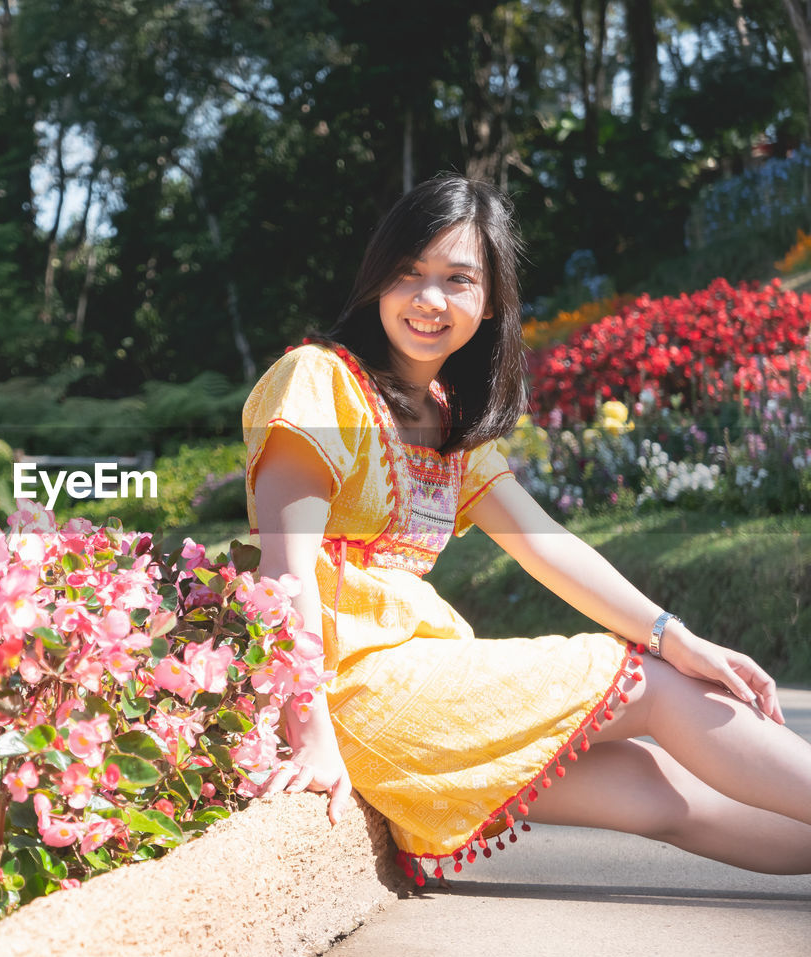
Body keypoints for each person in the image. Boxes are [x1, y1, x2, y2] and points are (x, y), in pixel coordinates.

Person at [244, 174, 811, 882]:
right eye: (408, 274)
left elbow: (548, 548)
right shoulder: (317, 379)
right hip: (352, 691)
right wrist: (311, 734)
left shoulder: (451, 419)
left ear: (489, 303)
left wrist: (677, 634)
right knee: (659, 689)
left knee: (651, 791)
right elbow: (283, 576)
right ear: (376, 281)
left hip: (411, 686)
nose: (429, 299)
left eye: (457, 280)